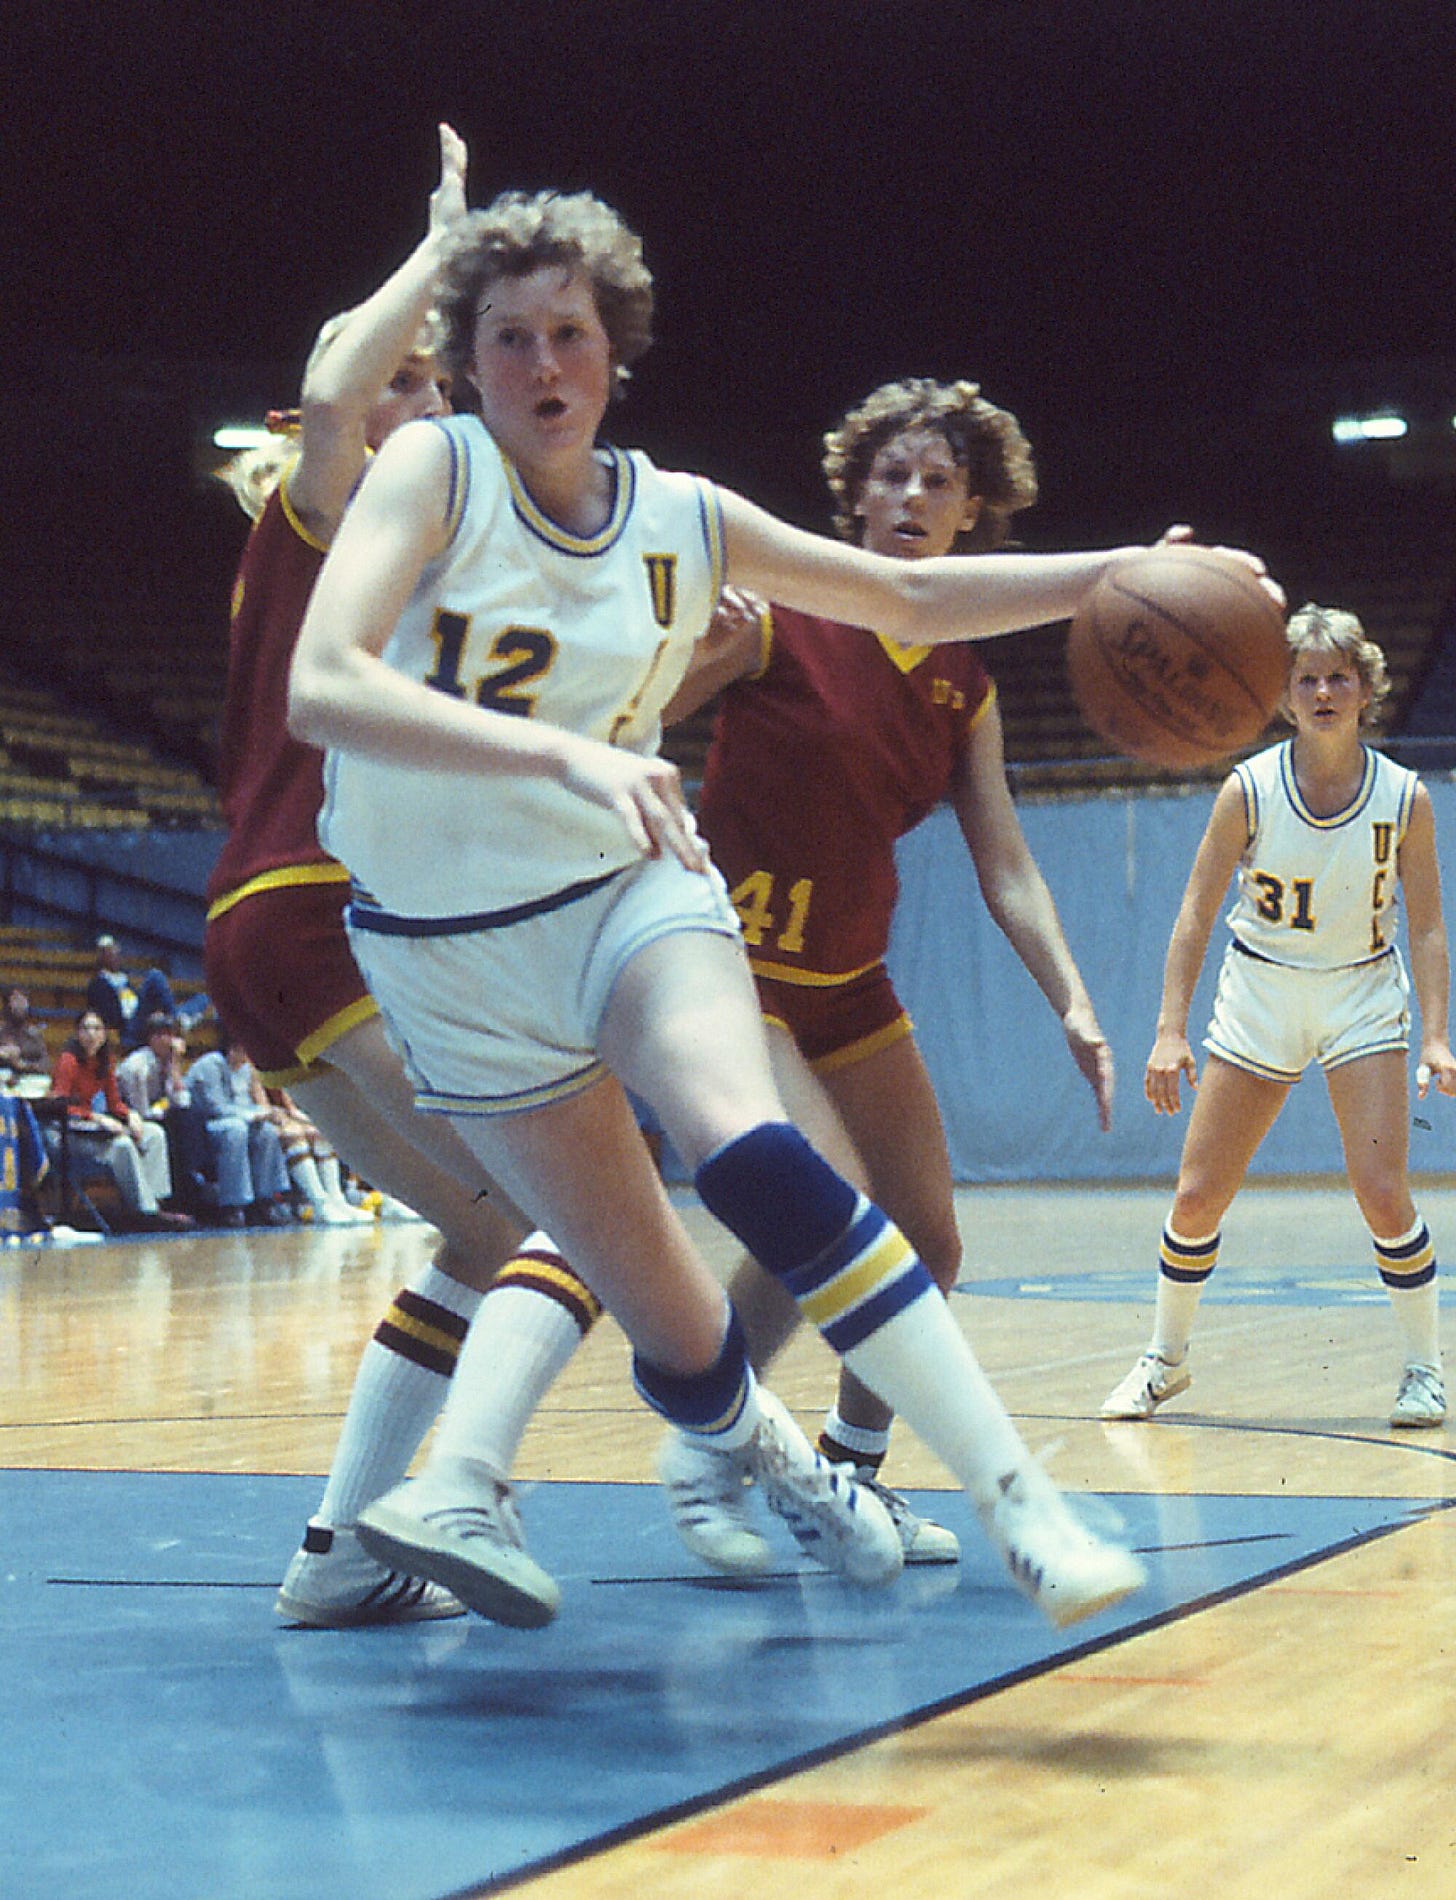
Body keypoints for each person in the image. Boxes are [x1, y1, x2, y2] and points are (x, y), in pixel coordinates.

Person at [285, 185, 1263, 1630]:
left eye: (571, 333)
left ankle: (1020, 1506)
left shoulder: (682, 517)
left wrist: (1115, 577)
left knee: (758, 1156)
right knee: (679, 1328)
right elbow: (324, 687)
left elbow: (905, 599)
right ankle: (775, 1465)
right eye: (508, 339)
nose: (543, 366)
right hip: (445, 952)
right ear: (470, 355)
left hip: (629, 898)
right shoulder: (432, 470)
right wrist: (568, 745)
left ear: (615, 347)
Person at [206, 125, 608, 1627]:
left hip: (266, 931)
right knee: (577, 1223)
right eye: (414, 381)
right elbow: (331, 389)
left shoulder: (422, 555)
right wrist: (447, 244)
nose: (429, 403)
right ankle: (461, 1494)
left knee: (481, 1232)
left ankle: (336, 1557)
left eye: (437, 385)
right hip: (317, 913)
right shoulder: (318, 509)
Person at [652, 376, 1116, 1574]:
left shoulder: (966, 679)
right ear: (853, 495)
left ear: (973, 515)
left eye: (938, 482)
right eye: (893, 475)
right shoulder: (775, 615)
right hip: (728, 965)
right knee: (829, 1208)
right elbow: (631, 721)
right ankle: (704, 1457)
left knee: (928, 1237)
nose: (911, 496)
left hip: (846, 977)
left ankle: (849, 1480)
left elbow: (1004, 862)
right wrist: (685, 658)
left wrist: (1070, 996)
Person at [1101, 604, 1455, 1428]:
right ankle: (1166, 1359)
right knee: (1194, 1198)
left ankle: (1422, 1369)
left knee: (1381, 1193)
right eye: (1307, 678)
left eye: (1339, 676)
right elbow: (1194, 913)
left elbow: (1430, 923)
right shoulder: (1248, 789)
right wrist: (1167, 1028)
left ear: (1366, 689)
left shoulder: (1404, 797)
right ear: (1284, 696)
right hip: (1260, 992)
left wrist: (1436, 1034)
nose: (1324, 690)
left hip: (1361, 993)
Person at [49, 1008, 193, 1230]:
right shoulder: (68, 1060)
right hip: (67, 1133)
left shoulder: (105, 1061)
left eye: (97, 1028)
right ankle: (145, 1212)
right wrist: (96, 1117)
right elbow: (60, 1106)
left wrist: (130, 1115)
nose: (91, 1034)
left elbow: (115, 1103)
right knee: (122, 1145)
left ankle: (157, 1203)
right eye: (85, 1028)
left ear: (105, 1034)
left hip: (92, 1128)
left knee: (154, 1133)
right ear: (77, 1033)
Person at [184, 1028, 295, 1227]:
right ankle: (234, 1205)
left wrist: (263, 1114)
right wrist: (254, 1114)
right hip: (206, 1123)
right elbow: (215, 1107)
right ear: (233, 1048)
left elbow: (246, 1105)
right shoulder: (211, 1064)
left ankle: (265, 1199)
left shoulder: (244, 1069)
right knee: (236, 1131)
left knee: (267, 1131)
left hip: (237, 1119)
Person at [115, 1011, 209, 1216]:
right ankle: (170, 1200)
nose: (171, 1041)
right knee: (173, 1128)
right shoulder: (137, 1066)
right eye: (165, 1035)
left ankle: (195, 1182)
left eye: (172, 1035)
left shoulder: (166, 1062)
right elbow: (139, 1110)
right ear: (152, 1038)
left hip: (155, 1117)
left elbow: (181, 1101)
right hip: (128, 1117)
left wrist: (175, 1066)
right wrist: (165, 1109)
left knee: (192, 1115)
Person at [85, 936, 188, 1053]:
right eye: (111, 954)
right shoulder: (98, 984)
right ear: (102, 957)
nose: (116, 958)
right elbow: (105, 1015)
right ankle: (177, 1019)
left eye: (117, 954)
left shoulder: (124, 979)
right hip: (128, 1027)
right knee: (155, 976)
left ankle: (178, 1018)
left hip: (141, 1016)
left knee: (202, 999)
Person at [0, 987, 52, 1086]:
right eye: (15, 1000)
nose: (20, 1005)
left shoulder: (34, 1034)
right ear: (7, 1004)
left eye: (24, 1001)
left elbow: (46, 1064)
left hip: (27, 1083)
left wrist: (23, 1064)